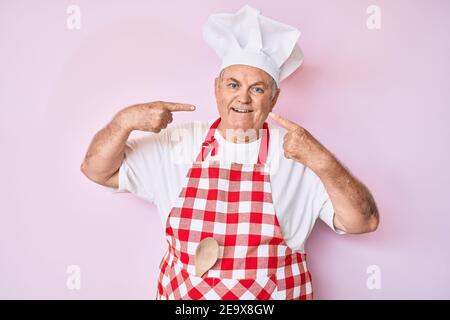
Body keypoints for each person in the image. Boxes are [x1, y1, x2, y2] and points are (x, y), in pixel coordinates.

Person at [80, 5, 379, 300]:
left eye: (258, 89)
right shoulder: (177, 143)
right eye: (233, 84)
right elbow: (96, 170)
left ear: (274, 99)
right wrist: (125, 121)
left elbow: (363, 223)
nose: (243, 98)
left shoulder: (300, 154)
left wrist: (322, 161)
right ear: (216, 88)